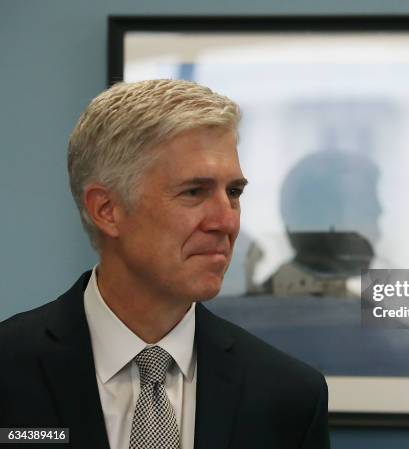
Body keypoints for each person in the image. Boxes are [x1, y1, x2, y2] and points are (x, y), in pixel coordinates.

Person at [0, 79, 330, 449]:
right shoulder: (9, 370)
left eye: (233, 193)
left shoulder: (288, 397)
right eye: (194, 192)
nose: (227, 221)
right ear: (107, 210)